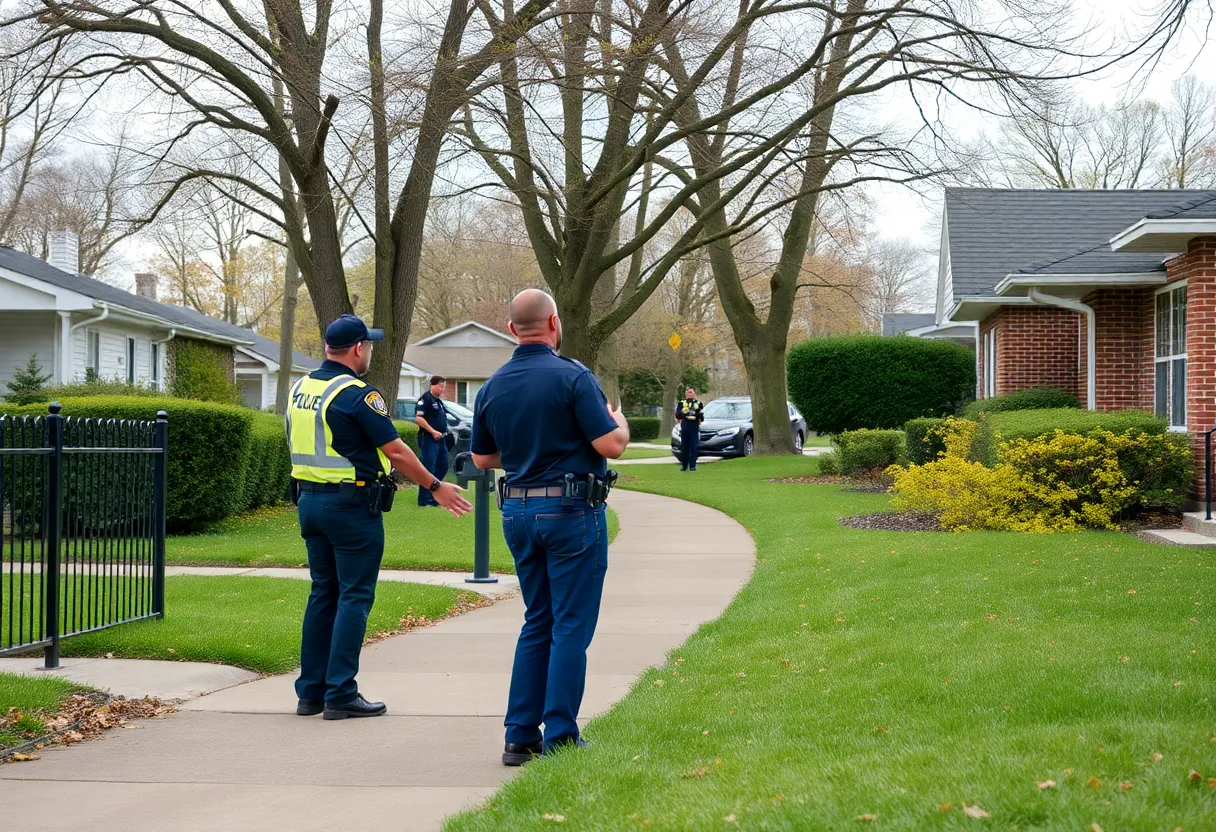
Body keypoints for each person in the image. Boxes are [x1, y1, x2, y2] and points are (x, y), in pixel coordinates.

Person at [470, 289, 629, 766]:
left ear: (512, 327)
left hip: (517, 512)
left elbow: (482, 458)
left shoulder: (492, 386)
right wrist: (620, 424)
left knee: (537, 619)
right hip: (570, 513)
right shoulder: (574, 377)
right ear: (554, 323)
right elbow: (611, 446)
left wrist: (523, 449)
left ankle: (519, 735)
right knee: (571, 624)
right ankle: (560, 733)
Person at [286, 314, 472, 721]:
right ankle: (341, 693)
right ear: (357, 349)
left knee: (323, 594)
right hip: (350, 507)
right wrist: (435, 486)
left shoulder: (300, 388)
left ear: (325, 349)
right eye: (368, 344)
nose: (370, 350)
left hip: (310, 503)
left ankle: (310, 693)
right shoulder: (357, 394)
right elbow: (398, 452)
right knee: (353, 595)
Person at [414, 375, 451, 507]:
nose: (442, 389)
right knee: (428, 468)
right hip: (429, 439)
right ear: (432, 385)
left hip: (440, 440)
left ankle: (434, 495)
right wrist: (432, 431)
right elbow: (418, 419)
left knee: (443, 465)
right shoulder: (426, 399)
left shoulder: (439, 402)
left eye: (444, 387)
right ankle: (424, 500)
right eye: (441, 386)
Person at [674, 387, 705, 471]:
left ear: (694, 393)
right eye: (687, 392)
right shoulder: (681, 403)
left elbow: (702, 417)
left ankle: (692, 466)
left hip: (694, 427)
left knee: (693, 447)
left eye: (690, 392)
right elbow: (677, 415)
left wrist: (696, 413)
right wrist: (684, 413)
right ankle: (684, 465)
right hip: (685, 427)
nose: (689, 394)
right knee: (684, 447)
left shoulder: (699, 403)